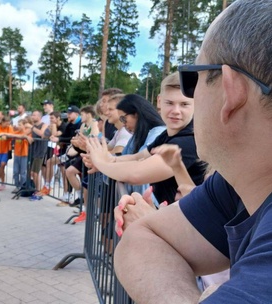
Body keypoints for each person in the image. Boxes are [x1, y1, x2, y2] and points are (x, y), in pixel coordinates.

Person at [113, 1, 272, 301]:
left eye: (190, 78)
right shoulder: (237, 183)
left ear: (230, 91)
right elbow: (143, 237)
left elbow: (134, 173)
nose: (188, 100)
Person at [85, 73, 206, 205]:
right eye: (170, 103)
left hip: (182, 221)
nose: (176, 110)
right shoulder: (167, 135)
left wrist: (101, 163)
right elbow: (137, 157)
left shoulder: (188, 140)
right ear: (159, 101)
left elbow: (137, 174)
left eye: (184, 104)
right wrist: (110, 159)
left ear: (195, 104)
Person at [28, 110, 51, 200]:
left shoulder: (44, 125)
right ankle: (35, 189)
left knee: (35, 173)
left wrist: (32, 127)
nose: (32, 116)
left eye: (34, 115)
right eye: (32, 115)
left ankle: (38, 191)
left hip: (40, 151)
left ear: (39, 117)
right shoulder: (32, 126)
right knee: (31, 173)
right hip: (32, 150)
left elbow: (42, 134)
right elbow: (24, 133)